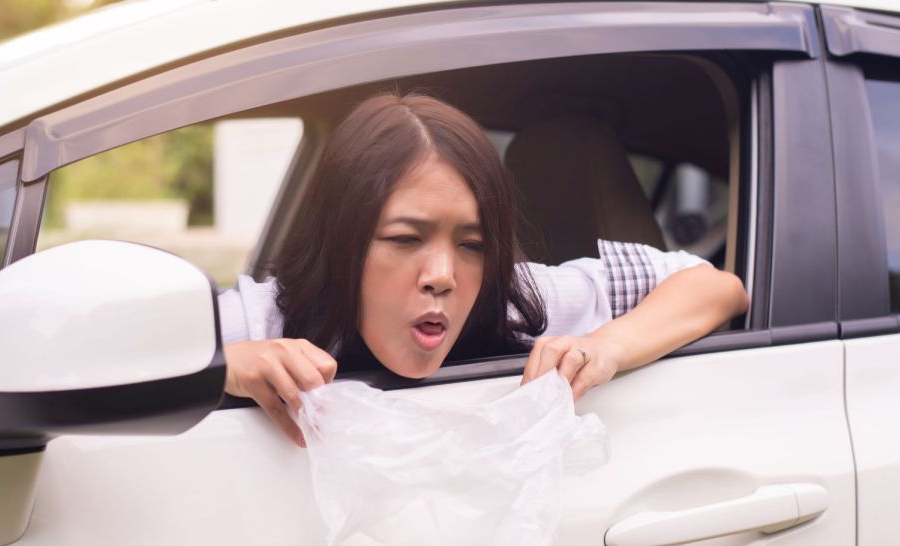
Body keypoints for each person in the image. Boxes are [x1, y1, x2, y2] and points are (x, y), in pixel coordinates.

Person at [218, 93, 748, 447]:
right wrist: (221, 364)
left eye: (473, 244)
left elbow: (715, 287)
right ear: (341, 239)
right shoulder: (263, 321)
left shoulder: (516, 298)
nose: (443, 275)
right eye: (405, 239)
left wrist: (605, 346)